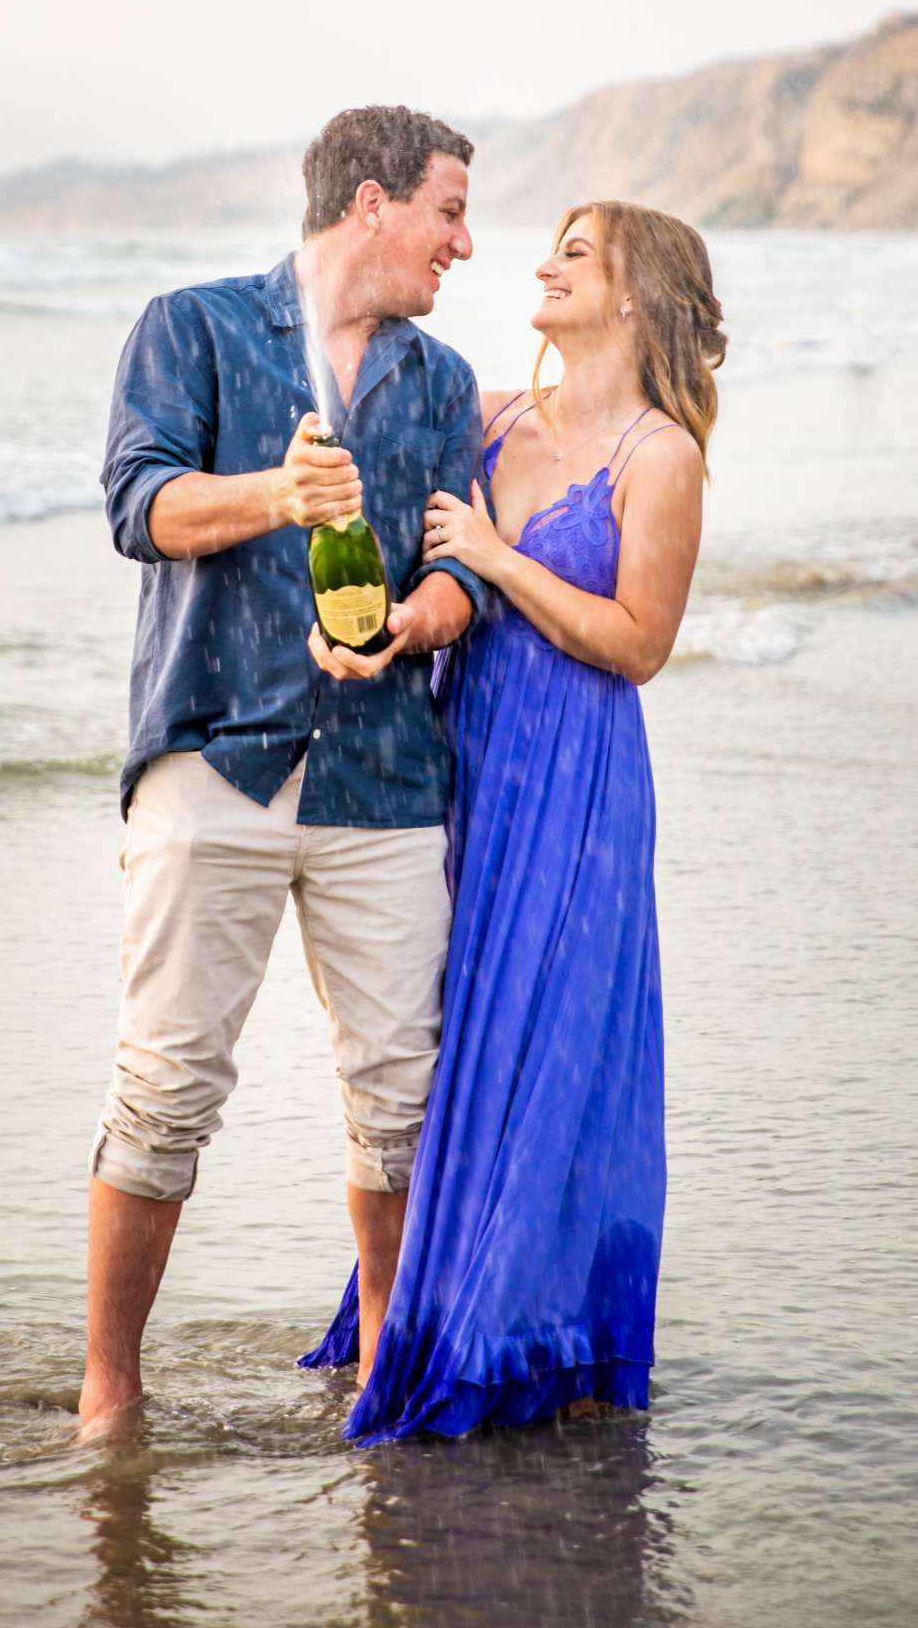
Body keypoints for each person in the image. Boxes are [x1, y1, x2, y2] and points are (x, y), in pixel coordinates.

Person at [80, 105, 486, 1435]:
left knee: (402, 1100)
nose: (465, 244)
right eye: (448, 211)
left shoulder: (437, 382)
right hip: (214, 762)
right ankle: (110, 1392)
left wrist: (419, 617)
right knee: (165, 1091)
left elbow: (451, 563)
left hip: (387, 775)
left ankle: (385, 1373)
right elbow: (141, 509)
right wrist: (274, 496)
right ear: (371, 205)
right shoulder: (191, 327)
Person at [302, 199, 724, 1443]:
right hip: (465, 759)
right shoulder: (486, 416)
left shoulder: (660, 457)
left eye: (574, 253)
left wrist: (494, 555)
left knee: (546, 1044)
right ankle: (421, 1305)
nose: (540, 265)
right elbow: (356, 411)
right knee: (448, 1041)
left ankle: (517, 1335)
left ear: (636, 294)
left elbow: (638, 646)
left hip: (576, 779)